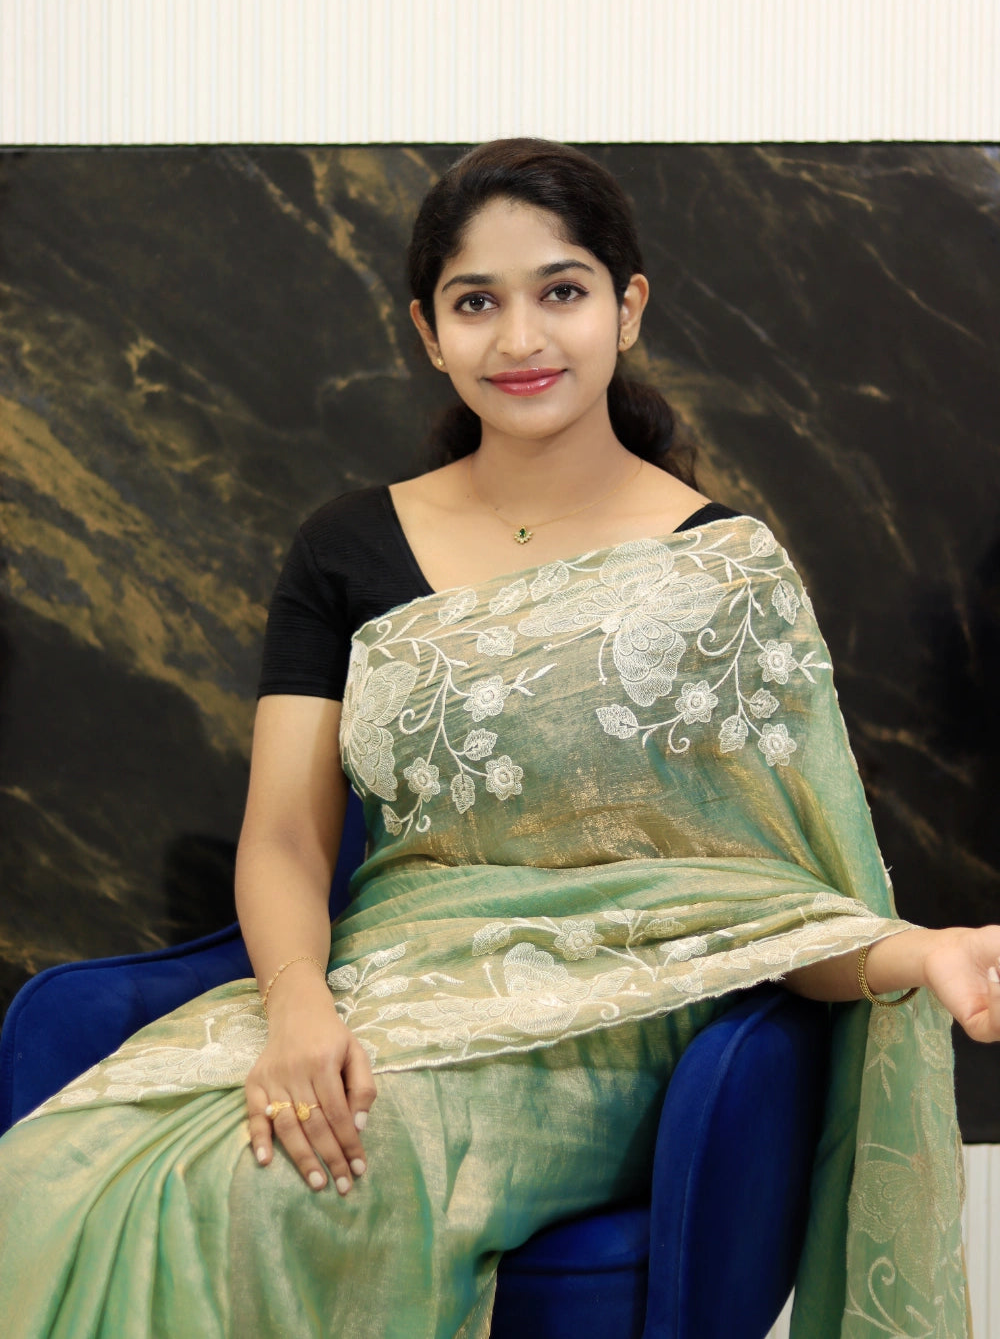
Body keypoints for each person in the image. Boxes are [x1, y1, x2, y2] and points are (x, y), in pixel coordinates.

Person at [0, 137, 997, 1339]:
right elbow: (279, 837)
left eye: (561, 292)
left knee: (295, 1187)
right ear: (429, 330)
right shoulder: (345, 546)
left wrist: (913, 957)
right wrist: (300, 1009)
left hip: (608, 1022)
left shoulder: (716, 570)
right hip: (380, 983)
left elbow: (771, 894)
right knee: (42, 1176)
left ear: (627, 308)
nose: (520, 340)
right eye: (478, 302)